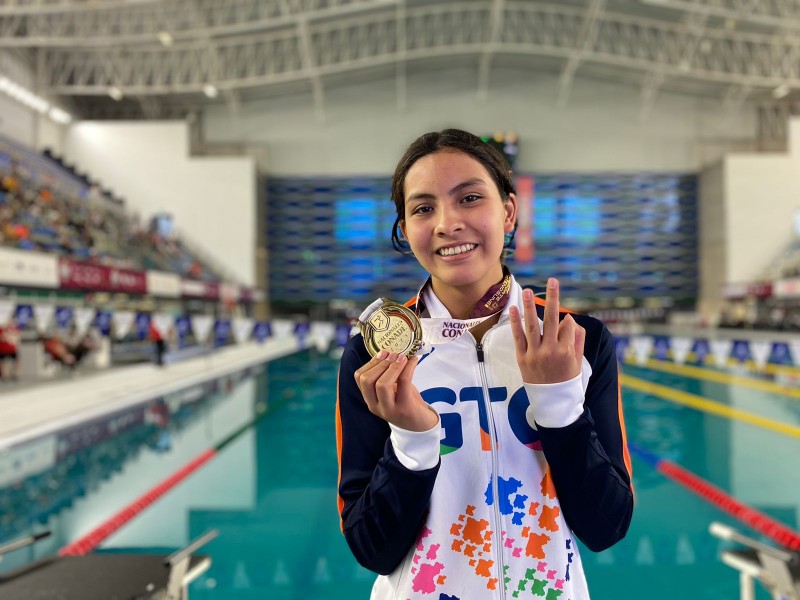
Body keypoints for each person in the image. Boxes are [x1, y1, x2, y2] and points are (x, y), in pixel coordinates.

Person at [336, 129, 633, 599]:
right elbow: (372, 549)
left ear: (509, 211)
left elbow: (606, 527)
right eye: (423, 207)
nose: (447, 223)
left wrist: (559, 403)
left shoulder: (576, 341)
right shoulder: (375, 354)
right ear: (405, 228)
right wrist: (413, 441)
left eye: (469, 198)